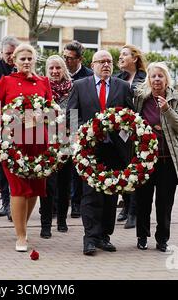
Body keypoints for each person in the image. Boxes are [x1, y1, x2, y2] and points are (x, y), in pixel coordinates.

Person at [67, 50, 134, 256]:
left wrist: (122, 130)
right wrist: (84, 132)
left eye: (109, 62)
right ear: (93, 64)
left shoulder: (122, 87)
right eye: (102, 62)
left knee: (110, 195)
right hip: (90, 149)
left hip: (115, 150)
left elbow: (131, 116)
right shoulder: (80, 86)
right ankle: (90, 238)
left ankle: (105, 236)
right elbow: (72, 115)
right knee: (90, 194)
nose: (106, 65)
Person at [133, 62, 178, 251]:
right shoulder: (140, 98)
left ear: (166, 79)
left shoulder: (177, 98)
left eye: (160, 76)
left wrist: (166, 110)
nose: (156, 80)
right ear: (148, 79)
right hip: (145, 159)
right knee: (143, 200)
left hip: (167, 160)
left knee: (164, 202)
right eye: (153, 76)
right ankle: (142, 237)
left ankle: (162, 238)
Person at [0, 43, 53, 252]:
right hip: (13, 142)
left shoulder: (43, 82)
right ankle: (21, 236)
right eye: (22, 59)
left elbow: (51, 112)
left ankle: (23, 227)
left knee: (35, 188)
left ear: (35, 60)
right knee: (18, 188)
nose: (26, 62)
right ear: (15, 61)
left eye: (29, 59)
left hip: (38, 141)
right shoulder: (6, 81)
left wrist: (42, 117)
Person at [39, 55, 72, 239]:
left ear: (63, 69)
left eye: (58, 68)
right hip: (46, 142)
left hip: (66, 140)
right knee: (48, 184)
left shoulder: (73, 88)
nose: (54, 71)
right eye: (51, 68)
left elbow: (75, 113)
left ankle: (61, 220)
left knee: (64, 184)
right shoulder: (42, 87)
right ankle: (46, 225)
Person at [115, 44, 147, 229]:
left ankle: (134, 212)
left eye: (124, 55)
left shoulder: (144, 79)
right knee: (122, 169)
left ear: (134, 58)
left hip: (139, 131)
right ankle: (126, 206)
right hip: (121, 132)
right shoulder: (118, 78)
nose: (120, 58)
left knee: (135, 171)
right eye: (120, 55)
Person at [0, 36, 20, 220]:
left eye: (14, 54)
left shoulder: (23, 68)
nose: (11, 57)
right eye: (8, 54)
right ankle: (6, 201)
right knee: (1, 164)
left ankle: (17, 200)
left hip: (21, 126)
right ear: (1, 53)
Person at [62, 40, 94, 219]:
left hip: (80, 123)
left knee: (77, 166)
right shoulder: (60, 72)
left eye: (70, 58)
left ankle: (76, 203)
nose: (66, 61)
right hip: (60, 123)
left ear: (79, 59)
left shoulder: (88, 76)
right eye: (64, 56)